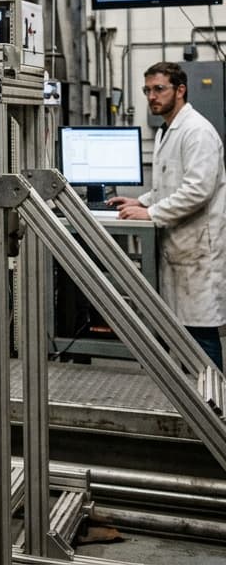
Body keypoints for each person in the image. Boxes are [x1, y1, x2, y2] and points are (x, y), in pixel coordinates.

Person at [108, 61, 226, 371]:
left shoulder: (197, 132)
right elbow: (167, 185)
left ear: (180, 90)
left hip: (197, 254)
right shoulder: (168, 131)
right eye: (147, 90)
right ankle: (196, 410)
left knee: (201, 339)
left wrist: (150, 213)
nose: (151, 96)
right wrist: (142, 200)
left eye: (159, 89)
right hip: (179, 251)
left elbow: (197, 190)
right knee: (185, 338)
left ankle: (215, 415)